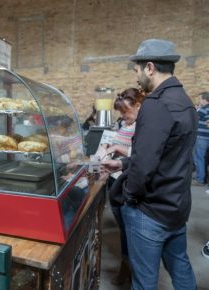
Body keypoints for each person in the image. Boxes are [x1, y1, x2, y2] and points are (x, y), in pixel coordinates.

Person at [102, 39, 197, 289]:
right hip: (177, 204)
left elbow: (145, 164)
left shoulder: (156, 105)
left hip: (151, 210)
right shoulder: (185, 102)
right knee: (180, 266)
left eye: (137, 70)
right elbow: (167, 154)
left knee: (144, 281)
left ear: (150, 68)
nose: (137, 76)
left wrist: (129, 197)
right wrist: (123, 164)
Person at [101, 88, 144, 285]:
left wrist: (117, 148)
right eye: (121, 112)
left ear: (138, 105)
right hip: (115, 178)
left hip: (127, 180)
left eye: (126, 111)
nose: (123, 115)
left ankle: (127, 269)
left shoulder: (142, 125)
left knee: (129, 230)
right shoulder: (125, 123)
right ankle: (125, 267)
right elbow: (111, 142)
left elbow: (139, 157)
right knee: (123, 228)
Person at [192, 92, 209, 186]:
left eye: (200, 99)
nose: (199, 101)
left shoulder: (203, 109)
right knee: (203, 158)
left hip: (201, 137)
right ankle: (201, 176)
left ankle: (200, 179)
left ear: (204, 99)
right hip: (207, 136)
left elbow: (194, 118)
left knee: (199, 158)